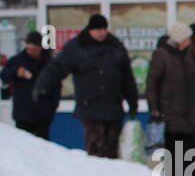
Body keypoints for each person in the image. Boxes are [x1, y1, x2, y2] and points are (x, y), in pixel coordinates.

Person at [33, 12, 138, 158]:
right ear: (90, 30)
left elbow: (127, 77)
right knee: (95, 148)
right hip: (90, 107)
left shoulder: (116, 47)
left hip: (113, 107)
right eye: (98, 30)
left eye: (104, 29)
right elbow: (57, 67)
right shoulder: (77, 47)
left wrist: (133, 102)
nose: (102, 33)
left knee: (112, 149)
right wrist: (42, 85)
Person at [146, 21, 195, 176]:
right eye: (187, 37)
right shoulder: (162, 54)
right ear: (180, 38)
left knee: (191, 145)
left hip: (190, 111)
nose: (189, 40)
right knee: (174, 147)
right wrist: (155, 109)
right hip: (170, 111)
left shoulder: (189, 54)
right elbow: (152, 84)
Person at [1, 31, 59, 139]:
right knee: (24, 147)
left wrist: (52, 106)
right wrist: (16, 72)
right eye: (28, 49)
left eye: (34, 49)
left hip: (43, 113)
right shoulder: (17, 60)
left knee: (43, 147)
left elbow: (56, 85)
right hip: (23, 113)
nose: (30, 52)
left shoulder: (48, 62)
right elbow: (4, 75)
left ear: (40, 48)